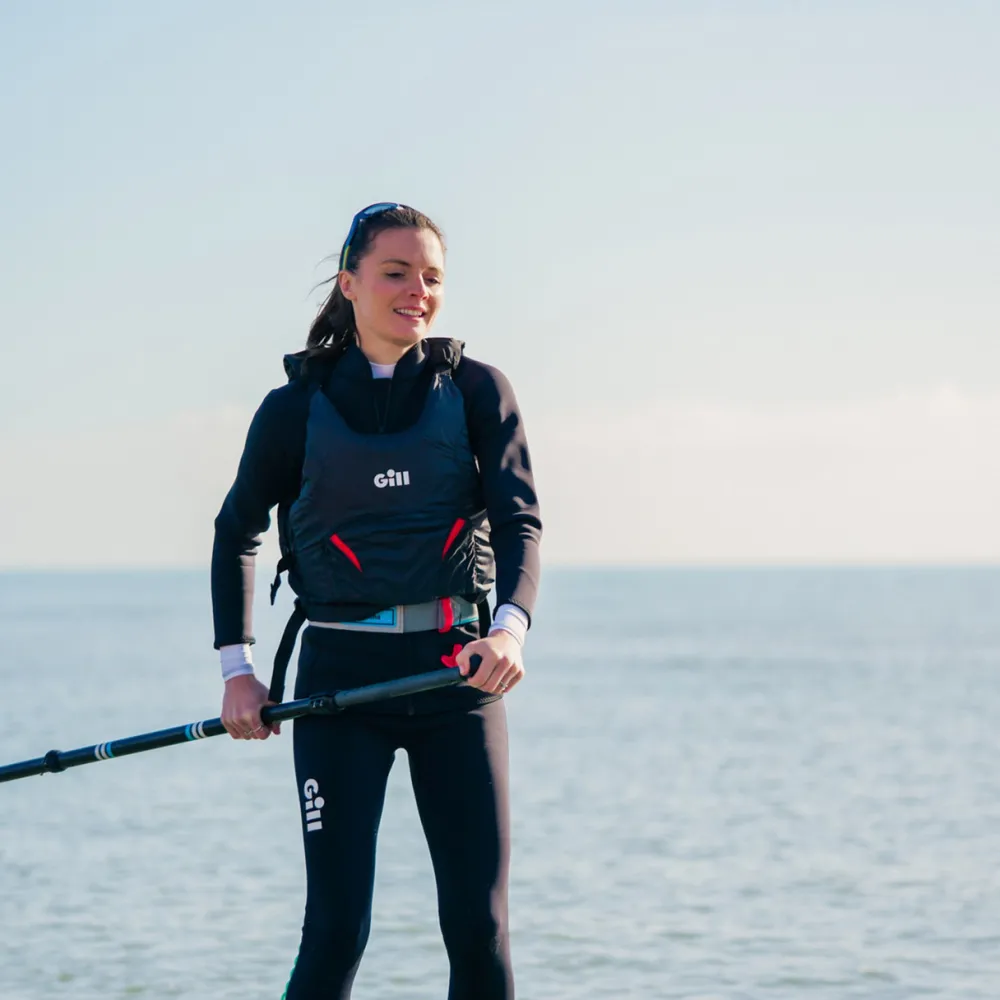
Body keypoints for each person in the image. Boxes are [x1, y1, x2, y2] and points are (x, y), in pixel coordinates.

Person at [210, 203, 542, 999]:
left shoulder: (477, 390)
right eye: (396, 273)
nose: (417, 290)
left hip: (456, 677)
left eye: (431, 277)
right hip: (340, 684)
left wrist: (509, 631)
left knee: (479, 926)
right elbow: (235, 531)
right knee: (335, 929)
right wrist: (237, 672)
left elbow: (519, 520)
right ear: (350, 282)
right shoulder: (294, 408)